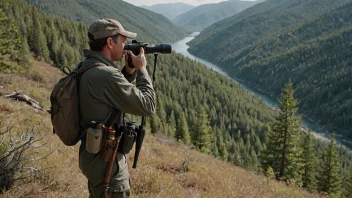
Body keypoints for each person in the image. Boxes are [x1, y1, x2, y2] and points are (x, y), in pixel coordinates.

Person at [78, 18, 156, 198]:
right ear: (110, 42)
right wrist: (141, 69)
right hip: (108, 167)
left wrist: (128, 72)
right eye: (123, 41)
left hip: (94, 158)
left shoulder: (89, 66)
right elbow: (148, 106)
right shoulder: (106, 74)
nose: (126, 46)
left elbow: (108, 96)